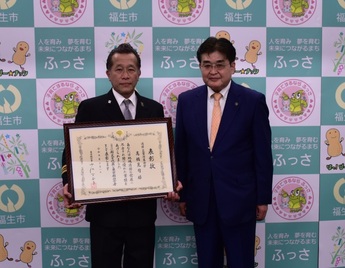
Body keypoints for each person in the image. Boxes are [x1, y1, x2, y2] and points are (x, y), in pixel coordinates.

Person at [61, 43, 181, 268]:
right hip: (104, 215)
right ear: (108, 74)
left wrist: (172, 180)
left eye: (131, 69)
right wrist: (70, 183)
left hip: (142, 215)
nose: (125, 75)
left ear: (139, 73)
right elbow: (71, 152)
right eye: (118, 69)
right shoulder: (90, 108)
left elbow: (163, 155)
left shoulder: (153, 109)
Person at [174, 37, 273, 268]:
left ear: (233, 65)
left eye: (220, 64)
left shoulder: (252, 101)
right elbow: (183, 150)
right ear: (200, 67)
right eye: (207, 65)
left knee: (241, 262)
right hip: (201, 200)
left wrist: (262, 198)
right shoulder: (188, 101)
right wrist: (184, 194)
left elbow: (262, 154)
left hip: (240, 200)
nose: (213, 71)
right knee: (207, 263)